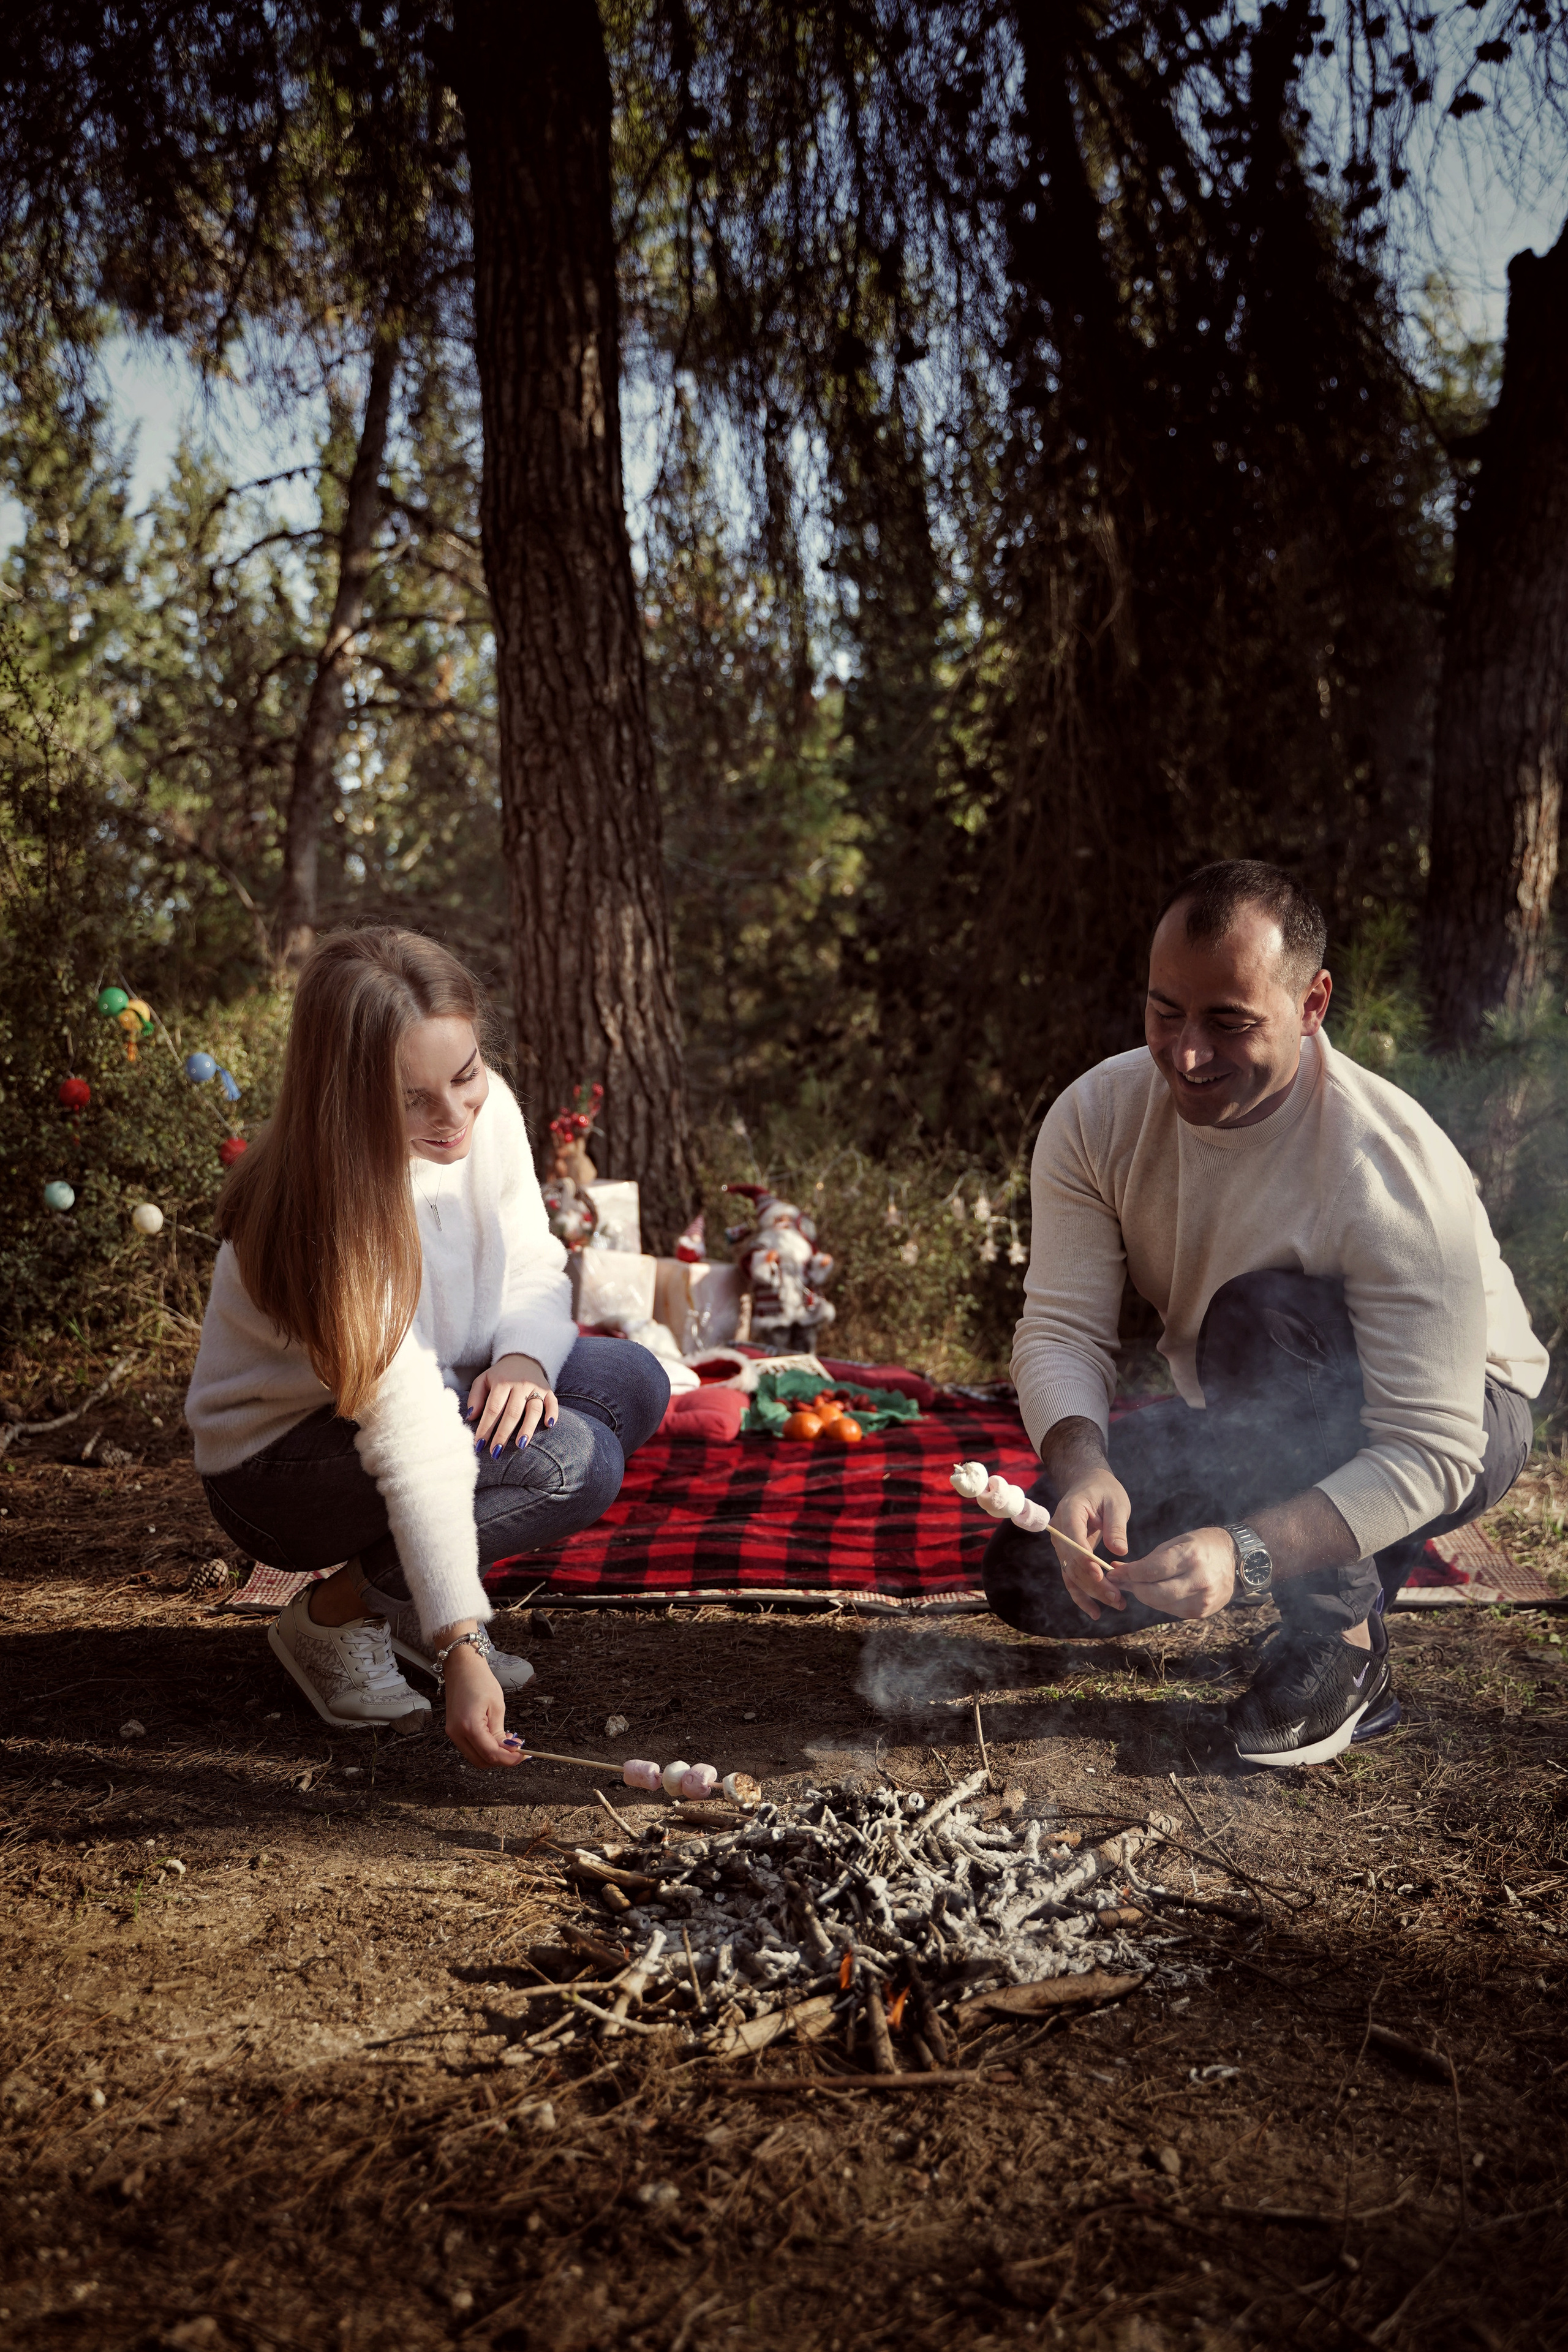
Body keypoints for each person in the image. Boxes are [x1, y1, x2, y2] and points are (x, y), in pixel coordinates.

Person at [986, 861, 1547, 1767]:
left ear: (1313, 1003)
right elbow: (1060, 1329)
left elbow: (1434, 1450)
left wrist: (1244, 1551)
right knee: (1029, 1570)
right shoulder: (1097, 1117)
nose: (1189, 1055)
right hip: (1256, 1406)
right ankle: (1337, 1547)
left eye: (1230, 1022)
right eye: (1167, 1012)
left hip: (1461, 1419)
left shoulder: (1389, 1165)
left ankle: (1341, 1649)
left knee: (1256, 1318)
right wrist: (1083, 1463)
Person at [186, 928, 668, 1769]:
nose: (453, 1119)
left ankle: (399, 1596)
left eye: (465, 1075)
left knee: (630, 1380)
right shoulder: (325, 1214)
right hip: (282, 1465)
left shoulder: (484, 1110)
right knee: (570, 1464)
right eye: (411, 1099)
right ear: (343, 1096)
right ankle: (332, 1619)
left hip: (435, 1394)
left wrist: (522, 1355)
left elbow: (533, 1261)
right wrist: (464, 1646)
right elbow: (413, 1443)